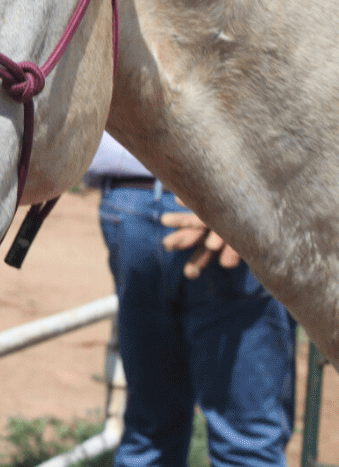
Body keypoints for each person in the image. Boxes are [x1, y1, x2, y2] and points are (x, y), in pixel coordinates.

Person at [89, 134, 295, 467]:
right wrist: (237, 199)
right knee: (246, 445)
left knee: (150, 434)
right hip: (227, 194)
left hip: (129, 197)